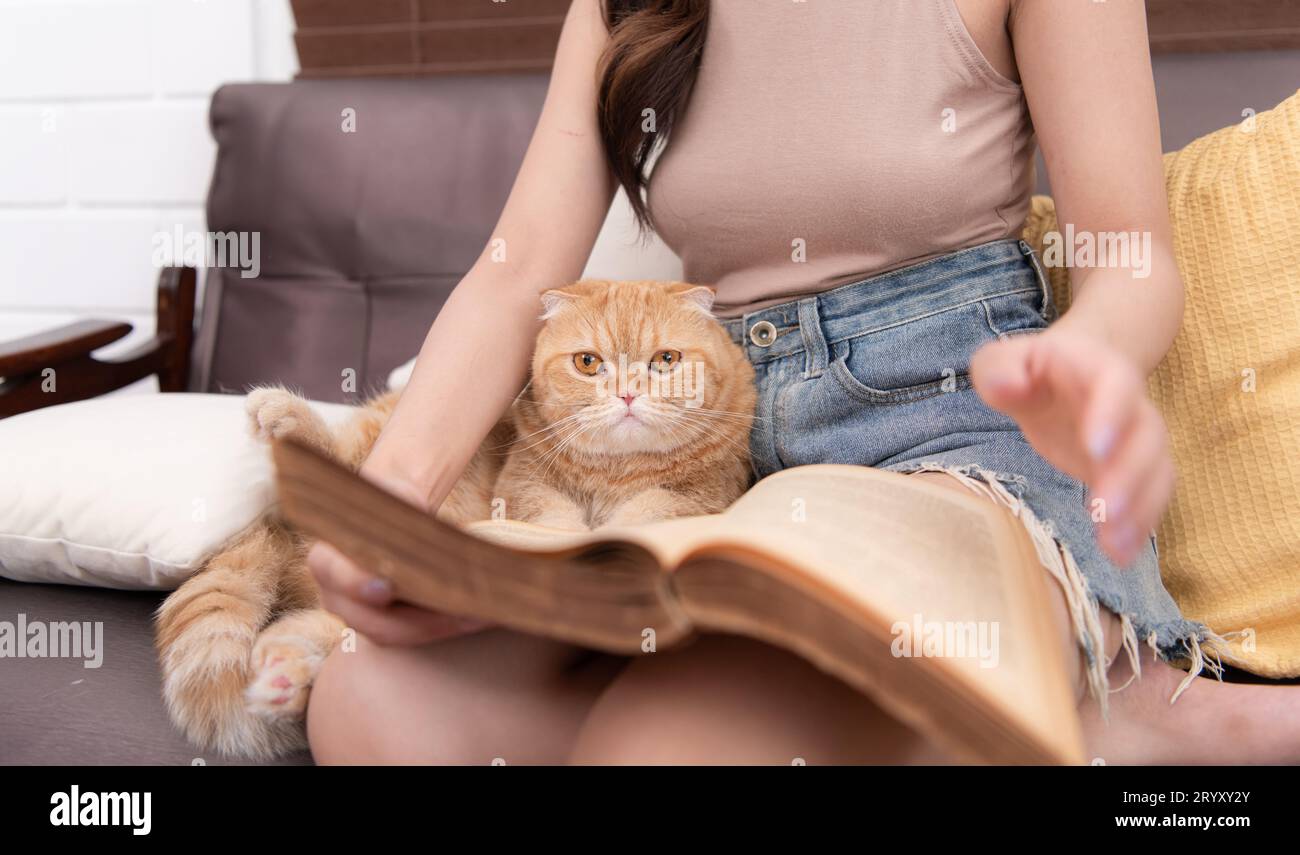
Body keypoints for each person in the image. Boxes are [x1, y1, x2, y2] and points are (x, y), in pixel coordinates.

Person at [305, 0, 1299, 764]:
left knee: (665, 741)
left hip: (948, 432)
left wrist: (1084, 360)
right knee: (367, 704)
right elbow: (518, 272)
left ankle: (1068, 680)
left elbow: (1130, 260)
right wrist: (389, 506)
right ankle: (1090, 724)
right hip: (724, 464)